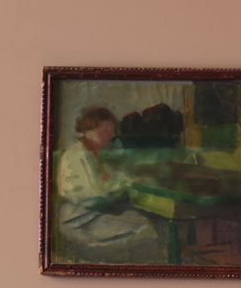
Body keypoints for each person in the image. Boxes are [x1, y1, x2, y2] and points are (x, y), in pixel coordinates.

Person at [53, 105, 163, 263]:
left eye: (111, 131)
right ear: (89, 131)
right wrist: (119, 188)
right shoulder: (74, 155)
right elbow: (91, 192)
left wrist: (133, 180)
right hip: (79, 220)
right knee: (143, 229)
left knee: (144, 224)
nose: (111, 135)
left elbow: (113, 178)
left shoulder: (96, 152)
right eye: (105, 132)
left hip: (96, 214)